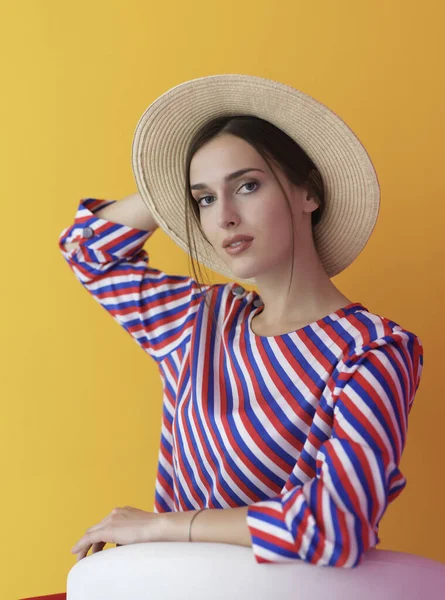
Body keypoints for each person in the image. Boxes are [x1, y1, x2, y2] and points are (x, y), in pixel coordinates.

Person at [59, 74, 423, 567]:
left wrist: (164, 525)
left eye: (247, 186)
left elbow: (339, 522)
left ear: (307, 194)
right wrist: (169, 190)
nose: (224, 216)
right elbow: (87, 248)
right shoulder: (200, 322)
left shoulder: (372, 349)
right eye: (205, 199)